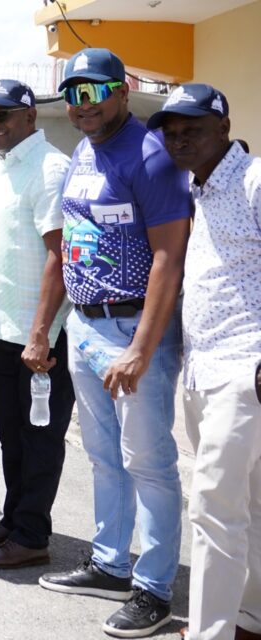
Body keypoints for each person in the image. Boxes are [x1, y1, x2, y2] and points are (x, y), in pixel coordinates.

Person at [35, 49, 191, 639]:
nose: (83, 105)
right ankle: (110, 565)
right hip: (86, 324)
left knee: (148, 462)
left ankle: (154, 589)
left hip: (133, 329)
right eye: (72, 94)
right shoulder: (85, 149)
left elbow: (169, 256)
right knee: (104, 457)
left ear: (123, 90)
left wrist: (141, 349)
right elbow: (70, 240)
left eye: (94, 91)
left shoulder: (151, 154)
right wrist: (48, 327)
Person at [150, 85, 256, 640]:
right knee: (247, 503)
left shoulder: (255, 180)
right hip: (203, 367)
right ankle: (249, 617)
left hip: (245, 369)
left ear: (223, 128)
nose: (179, 139)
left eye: (191, 128)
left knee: (212, 506)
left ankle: (211, 632)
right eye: (170, 131)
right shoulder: (198, 187)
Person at [0, 80, 75, 570]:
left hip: (42, 338)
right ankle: (13, 521)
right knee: (12, 436)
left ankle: (32, 536)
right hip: (4, 331)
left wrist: (40, 334)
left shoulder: (51, 168)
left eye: (2, 115)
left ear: (30, 116)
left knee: (40, 440)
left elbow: (60, 256)